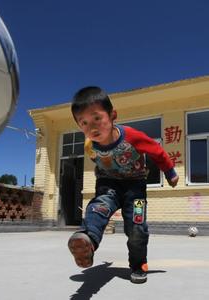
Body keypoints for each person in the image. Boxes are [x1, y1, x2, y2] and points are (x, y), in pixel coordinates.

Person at [67, 86, 179, 284]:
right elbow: (98, 160)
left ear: (112, 116)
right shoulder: (89, 145)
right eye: (83, 123)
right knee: (97, 207)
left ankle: (139, 264)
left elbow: (156, 150)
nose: (92, 127)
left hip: (135, 186)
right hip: (108, 184)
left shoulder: (132, 136)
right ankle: (87, 240)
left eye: (97, 119)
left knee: (137, 226)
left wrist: (169, 172)